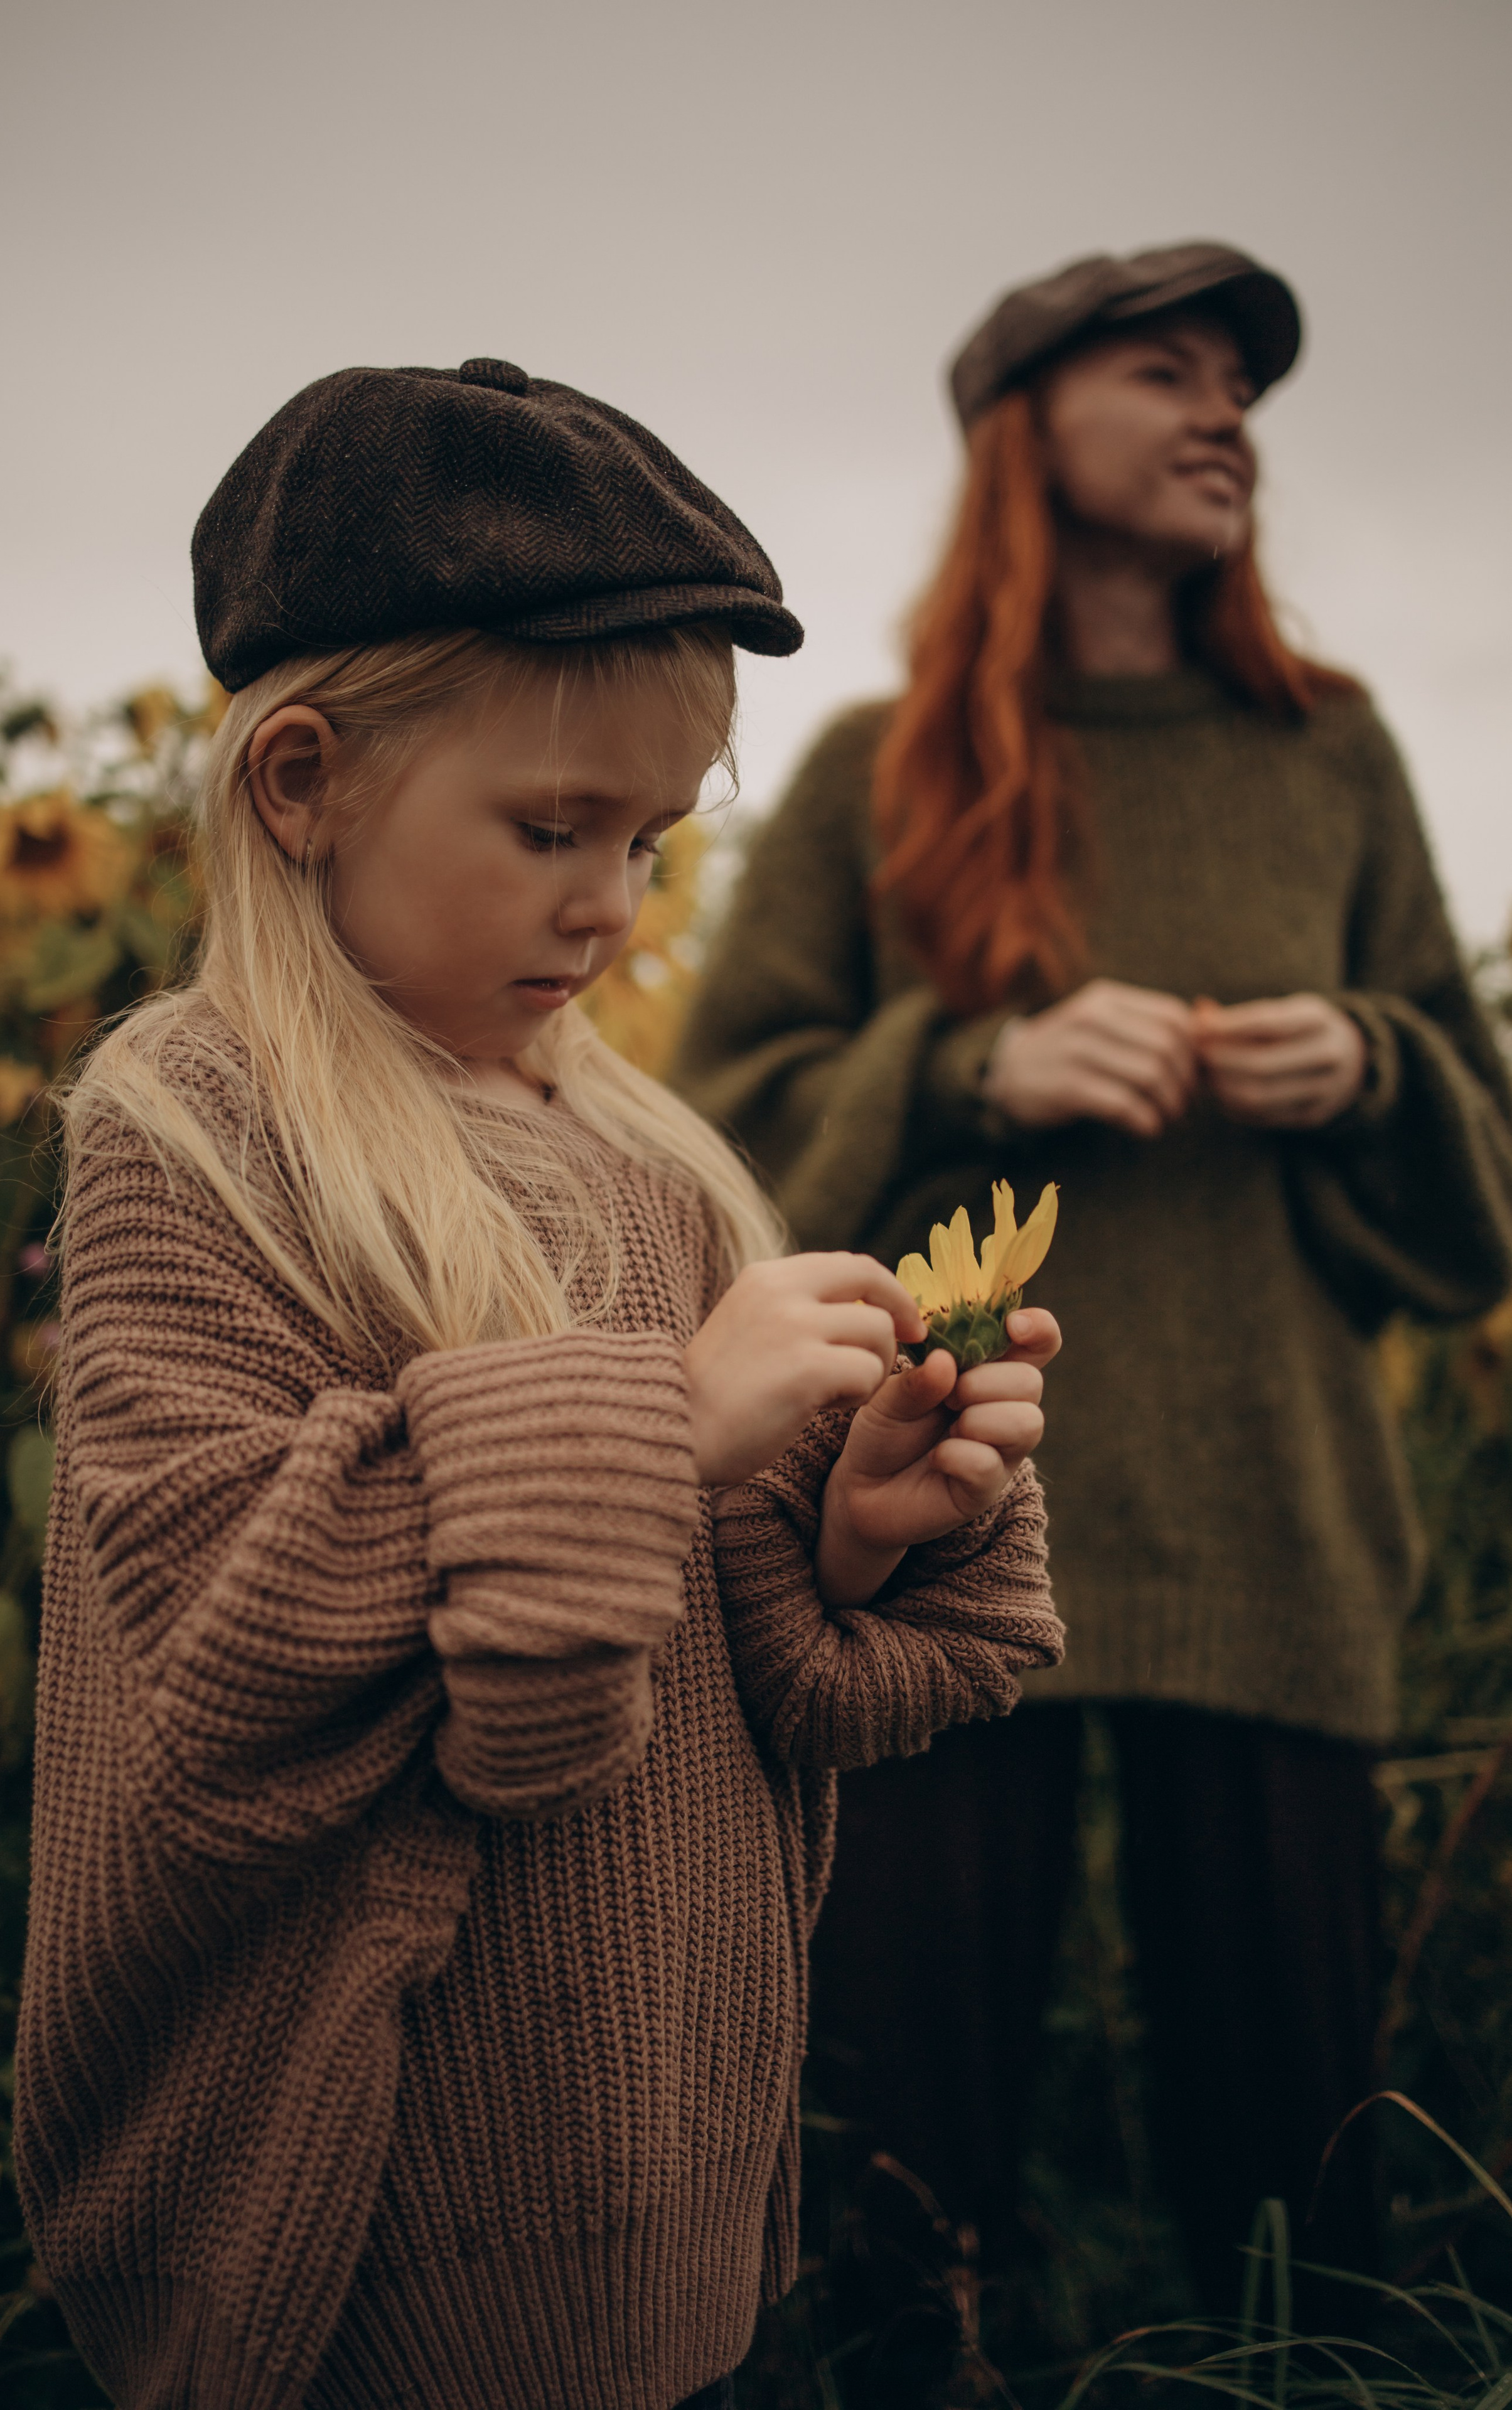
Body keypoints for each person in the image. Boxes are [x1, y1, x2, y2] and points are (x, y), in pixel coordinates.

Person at [11, 360, 1065, 2410]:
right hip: (373, 2197)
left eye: (654, 843)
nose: (610, 903)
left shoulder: (639, 1157)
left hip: (648, 2144)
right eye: (552, 828)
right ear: (299, 783)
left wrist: (850, 1529)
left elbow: (745, 1663)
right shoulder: (196, 1129)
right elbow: (229, 1641)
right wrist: (668, 1420)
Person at [674, 244, 1512, 2333]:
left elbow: (1476, 1205)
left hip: (1270, 1531)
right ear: (1022, 433)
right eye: (1166, 371)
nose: (1228, 414)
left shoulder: (1332, 755)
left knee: (1299, 2180)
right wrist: (974, 1059)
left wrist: (1373, 1066)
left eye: (1243, 383)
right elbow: (704, 1163)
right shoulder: (879, 766)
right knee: (901, 2157)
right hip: (935, 1518)